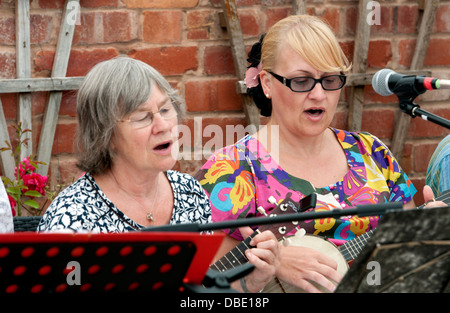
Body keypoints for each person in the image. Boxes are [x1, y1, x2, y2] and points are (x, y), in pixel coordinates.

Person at [195, 14, 444, 293]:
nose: (318, 94)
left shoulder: (372, 152)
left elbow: (410, 264)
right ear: (266, 83)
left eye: (330, 80)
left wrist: (431, 237)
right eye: (301, 81)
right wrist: (273, 263)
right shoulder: (231, 171)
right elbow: (204, 289)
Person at [37, 56, 279, 293]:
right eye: (142, 117)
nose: (163, 125)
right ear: (106, 136)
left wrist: (248, 285)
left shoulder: (189, 192)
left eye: (165, 109)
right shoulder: (72, 220)